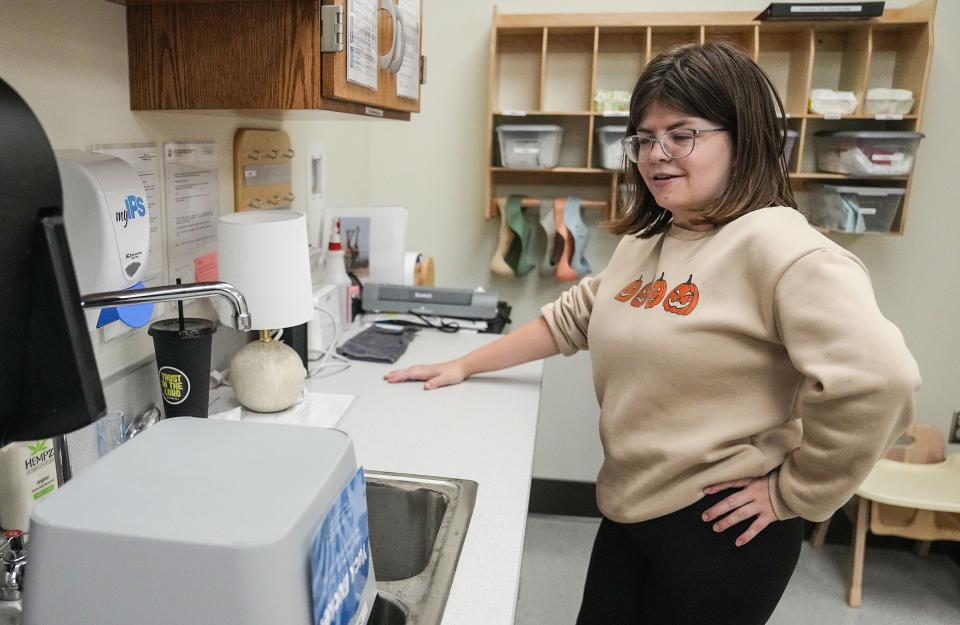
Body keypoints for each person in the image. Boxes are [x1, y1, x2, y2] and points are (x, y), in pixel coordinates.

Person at [384, 42, 921, 625]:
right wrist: (465, 364)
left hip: (721, 525)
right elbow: (577, 315)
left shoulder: (784, 250)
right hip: (628, 505)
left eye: (682, 134)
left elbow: (879, 382)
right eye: (643, 138)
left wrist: (796, 493)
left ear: (744, 138)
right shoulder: (650, 241)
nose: (656, 155)